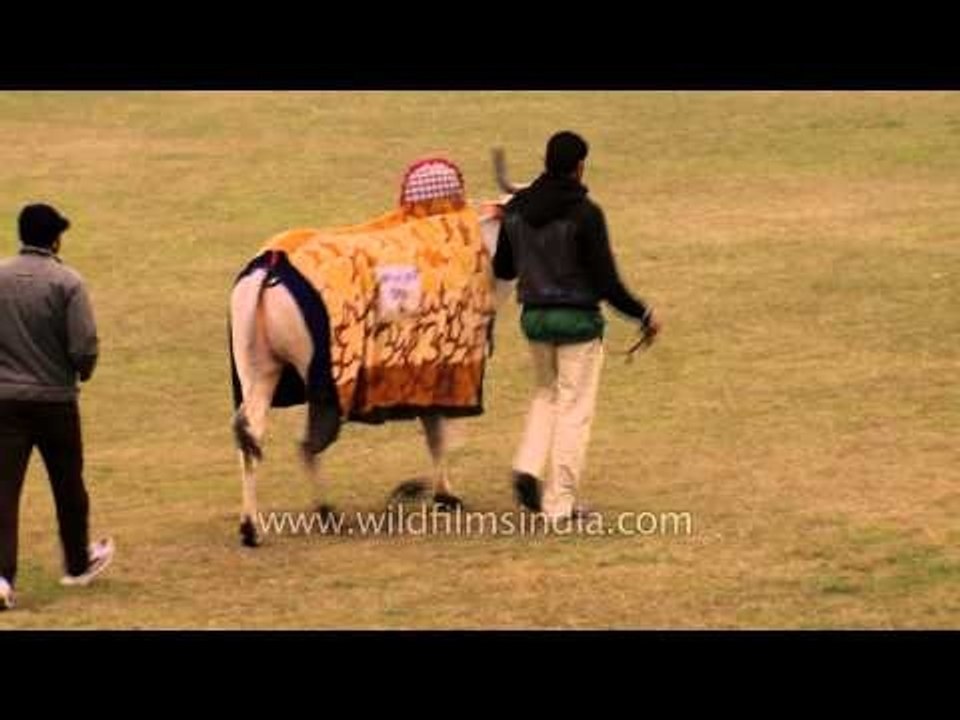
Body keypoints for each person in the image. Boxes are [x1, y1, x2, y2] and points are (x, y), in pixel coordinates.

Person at [493, 131, 662, 521]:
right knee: (573, 410)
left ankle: (528, 466)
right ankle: (560, 504)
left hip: (533, 319)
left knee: (545, 395)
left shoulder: (516, 210)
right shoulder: (586, 214)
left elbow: (503, 268)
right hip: (578, 325)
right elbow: (608, 284)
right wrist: (644, 315)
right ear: (579, 166)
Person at [0, 203, 114, 611]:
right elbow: (83, 345)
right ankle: (76, 564)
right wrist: (83, 370)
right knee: (68, 486)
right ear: (55, 238)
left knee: (4, 491)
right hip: (55, 401)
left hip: (4, 403)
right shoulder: (68, 282)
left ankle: (1, 578)